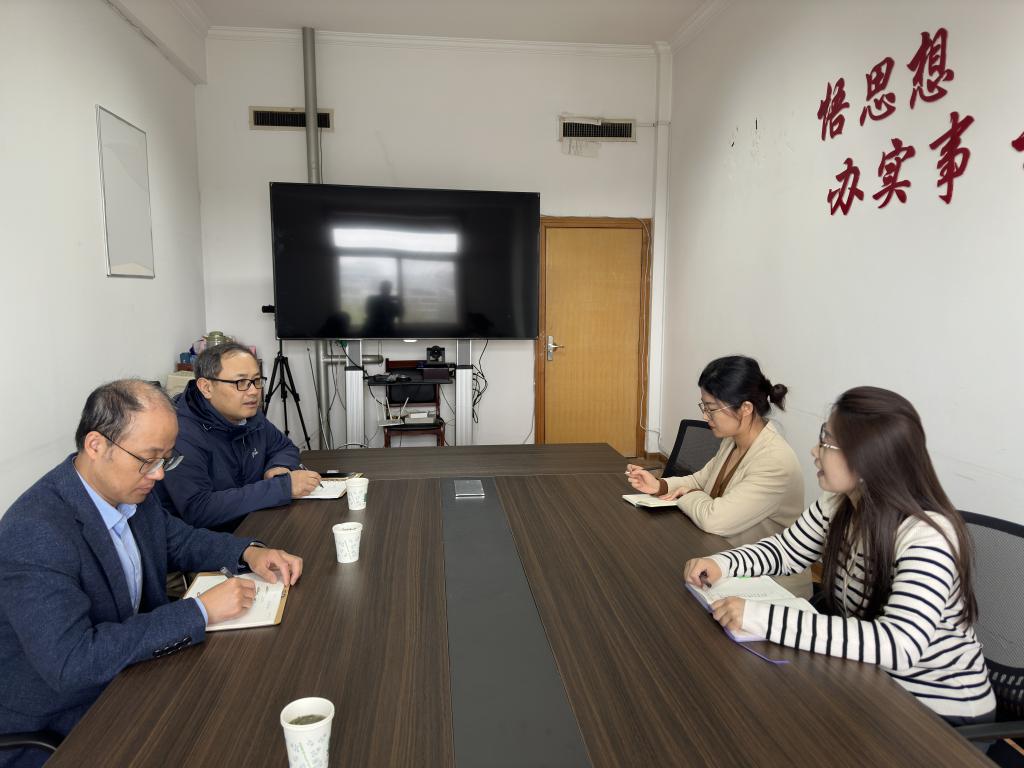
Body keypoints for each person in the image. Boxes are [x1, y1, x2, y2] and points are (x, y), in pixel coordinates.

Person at [0, 380, 303, 768]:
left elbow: (179, 540)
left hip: (135, 676)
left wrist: (248, 552)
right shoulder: (35, 531)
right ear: (96, 445)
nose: (159, 475)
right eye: (148, 459)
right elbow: (73, 663)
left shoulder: (129, 491)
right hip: (66, 721)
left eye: (166, 460)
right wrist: (199, 611)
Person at [684, 386, 996, 724]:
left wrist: (764, 618)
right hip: (868, 682)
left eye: (828, 442)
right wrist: (722, 563)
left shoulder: (927, 536)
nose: (815, 451)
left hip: (935, 713)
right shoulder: (840, 502)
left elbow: (899, 644)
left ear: (868, 459)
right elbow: (787, 551)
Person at [626, 356, 809, 596]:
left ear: (745, 408)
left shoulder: (775, 462)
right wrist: (660, 485)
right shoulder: (733, 441)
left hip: (768, 587)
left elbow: (715, 519)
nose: (705, 416)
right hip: (725, 560)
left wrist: (688, 494)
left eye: (711, 409)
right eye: (704, 407)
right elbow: (700, 480)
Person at [157, 342, 321, 531]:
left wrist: (278, 467)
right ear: (206, 387)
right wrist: (282, 488)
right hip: (210, 540)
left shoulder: (249, 416)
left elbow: (283, 447)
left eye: (256, 380)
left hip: (254, 522)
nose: (253, 391)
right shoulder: (180, 432)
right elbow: (199, 509)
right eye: (240, 382)